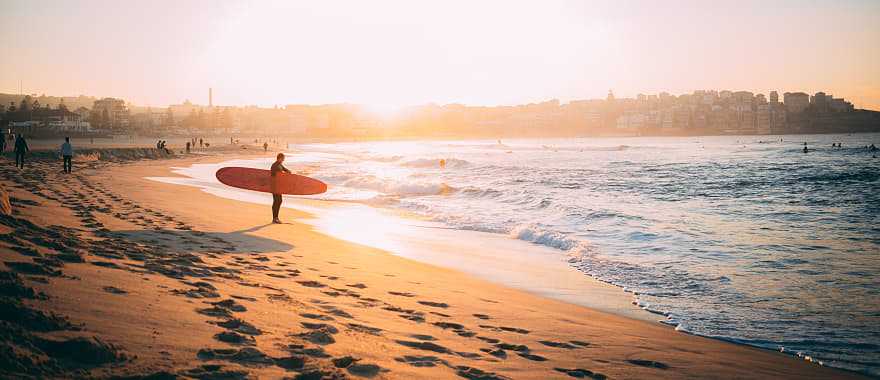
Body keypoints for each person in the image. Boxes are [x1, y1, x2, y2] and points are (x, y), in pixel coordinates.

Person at [270, 153, 291, 224]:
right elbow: (273, 176)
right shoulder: (274, 165)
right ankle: (275, 218)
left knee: (278, 201)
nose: (284, 159)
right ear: (280, 158)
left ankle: (275, 218)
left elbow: (285, 169)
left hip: (279, 186)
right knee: (277, 201)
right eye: (283, 158)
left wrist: (288, 171)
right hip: (275, 186)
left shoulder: (279, 164)